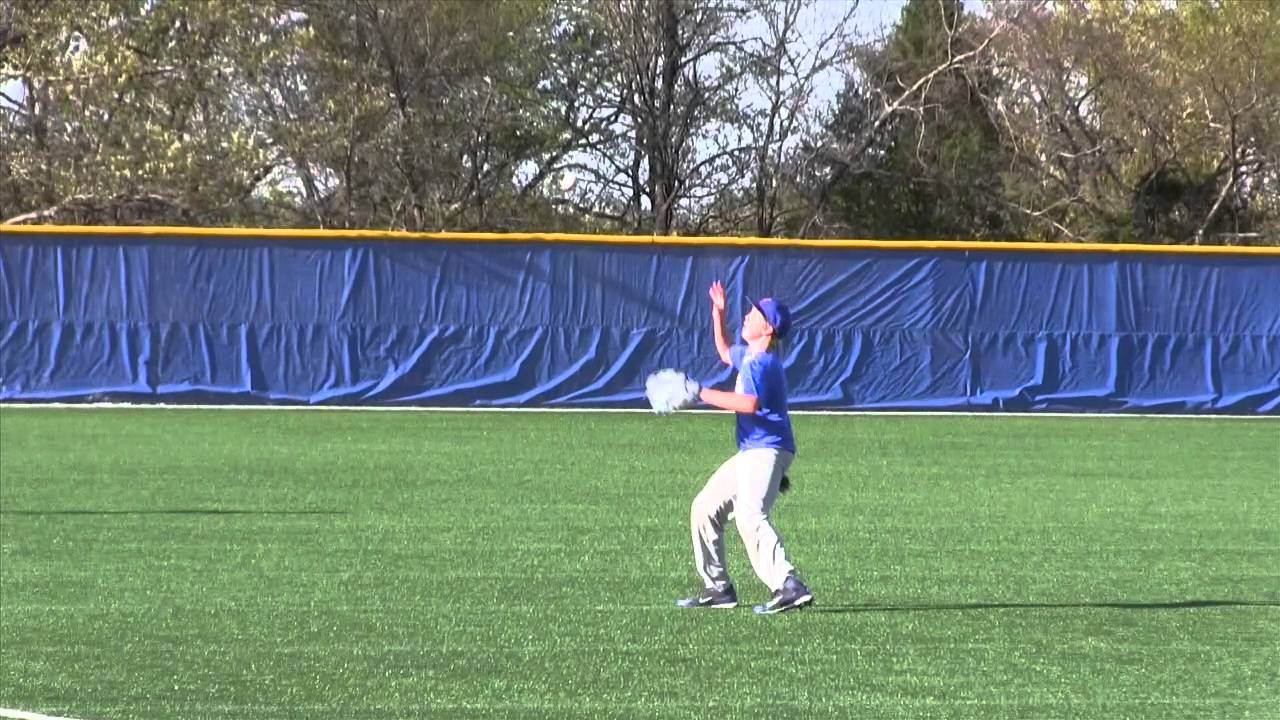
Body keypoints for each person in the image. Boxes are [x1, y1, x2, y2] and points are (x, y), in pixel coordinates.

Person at [676, 280, 814, 615]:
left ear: (768, 328)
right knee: (704, 507)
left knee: (751, 515)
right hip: (753, 451)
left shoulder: (761, 363)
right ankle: (718, 588)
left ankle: (788, 584)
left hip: (767, 449)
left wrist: (699, 393)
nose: (748, 316)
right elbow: (725, 351)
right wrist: (717, 314)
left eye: (755, 314)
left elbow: (748, 404)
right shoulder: (751, 356)